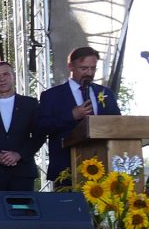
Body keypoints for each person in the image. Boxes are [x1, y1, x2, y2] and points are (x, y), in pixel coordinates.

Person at [37, 46, 121, 187]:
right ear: (71, 66)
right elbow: (42, 126)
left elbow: (117, 123)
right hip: (66, 167)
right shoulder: (52, 95)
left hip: (103, 164)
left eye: (93, 68)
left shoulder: (106, 93)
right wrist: (72, 116)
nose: (89, 73)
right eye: (84, 68)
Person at [0, 62, 44, 191]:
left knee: (22, 205)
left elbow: (40, 135)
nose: (2, 79)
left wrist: (19, 154)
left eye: (5, 74)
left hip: (23, 173)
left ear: (13, 76)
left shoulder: (30, 104)